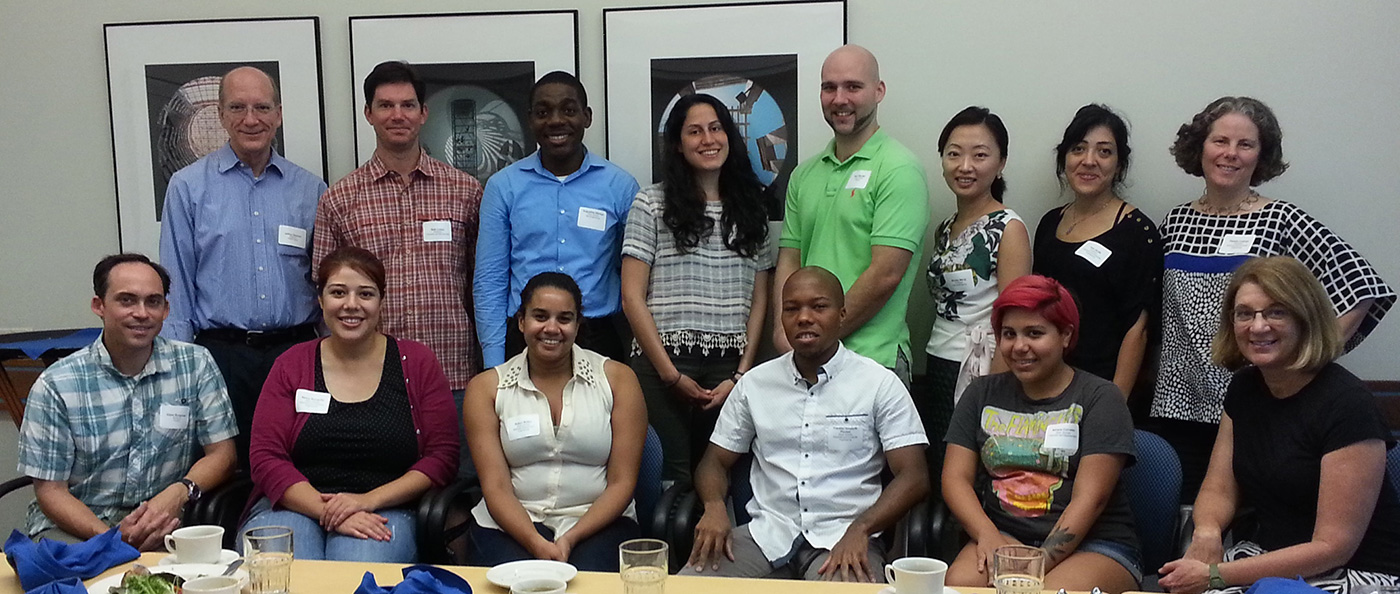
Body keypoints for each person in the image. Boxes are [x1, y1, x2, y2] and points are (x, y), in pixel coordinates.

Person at [1151, 96, 1394, 497]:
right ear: (1200, 146)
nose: (1230, 153)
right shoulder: (1175, 221)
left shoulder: (1281, 219)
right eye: (1220, 141)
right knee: (1186, 524)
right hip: (1178, 409)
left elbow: (1362, 286)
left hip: (1254, 408)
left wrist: (1304, 362)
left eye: (1245, 144)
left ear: (1261, 156)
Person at [1159, 256, 1400, 594]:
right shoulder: (1244, 387)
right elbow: (1219, 488)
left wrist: (1215, 575)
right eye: (1245, 314)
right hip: (1268, 561)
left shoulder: (1348, 404)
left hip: (1352, 575)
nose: (1258, 327)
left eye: (1276, 312)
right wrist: (1207, 533)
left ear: (1306, 319)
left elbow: (1333, 547)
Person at [682, 266, 929, 582]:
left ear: (841, 314)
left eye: (819, 306)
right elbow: (713, 462)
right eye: (792, 308)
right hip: (766, 535)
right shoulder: (755, 384)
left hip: (845, 538)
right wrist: (714, 506)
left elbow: (914, 477)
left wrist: (862, 528)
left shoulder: (879, 384)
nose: (804, 317)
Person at [313, 61, 482, 480]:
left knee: (455, 491)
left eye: (408, 105)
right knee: (381, 485)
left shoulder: (466, 191)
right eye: (385, 105)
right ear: (368, 113)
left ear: (424, 112)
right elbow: (323, 297)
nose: (397, 115)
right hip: (371, 379)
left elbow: (485, 284)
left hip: (453, 373)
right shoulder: (339, 199)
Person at [243, 246, 459, 562]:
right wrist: (329, 509)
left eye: (366, 294)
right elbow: (265, 458)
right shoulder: (291, 364)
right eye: (338, 293)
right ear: (320, 300)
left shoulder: (418, 362)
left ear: (382, 302)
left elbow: (442, 458)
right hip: (292, 507)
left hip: (386, 510)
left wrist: (367, 501)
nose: (351, 305)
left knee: (356, 571)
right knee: (286, 573)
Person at [160, 66, 326, 469]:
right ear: (219, 115)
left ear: (279, 113)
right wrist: (180, 371)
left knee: (300, 461)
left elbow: (326, 281)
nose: (251, 119)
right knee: (227, 468)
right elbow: (177, 286)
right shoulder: (187, 187)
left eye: (261, 107)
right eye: (237, 107)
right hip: (222, 357)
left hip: (297, 351)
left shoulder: (310, 190)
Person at [17, 254, 237, 547]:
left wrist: (178, 492)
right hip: (76, 530)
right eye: (127, 301)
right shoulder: (57, 385)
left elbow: (222, 455)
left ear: (166, 309)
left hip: (163, 524)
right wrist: (111, 540)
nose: (142, 313)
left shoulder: (195, 364)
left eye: (153, 302)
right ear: (99, 306)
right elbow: (51, 491)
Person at [943, 275, 1140, 593]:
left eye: (1035, 333)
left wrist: (1033, 566)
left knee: (1043, 593)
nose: (1020, 346)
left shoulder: (1101, 397)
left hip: (1095, 545)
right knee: (961, 585)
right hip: (1003, 536)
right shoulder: (981, 393)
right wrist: (986, 534)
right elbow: (955, 479)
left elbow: (1092, 499)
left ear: (1066, 335)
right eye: (1009, 334)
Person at [621, 93, 774, 486]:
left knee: (722, 477)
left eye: (716, 128)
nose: (708, 139)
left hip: (729, 369)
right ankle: (669, 550)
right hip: (662, 366)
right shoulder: (651, 203)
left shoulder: (752, 205)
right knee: (670, 478)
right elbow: (631, 297)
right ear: (677, 143)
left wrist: (741, 376)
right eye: (694, 131)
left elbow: (759, 301)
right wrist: (671, 375)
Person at [463, 272, 647, 572]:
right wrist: (537, 543)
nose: (552, 328)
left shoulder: (617, 380)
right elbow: (495, 486)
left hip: (598, 523)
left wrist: (571, 538)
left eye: (565, 318)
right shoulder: (486, 389)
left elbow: (622, 483)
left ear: (577, 325)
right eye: (540, 316)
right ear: (521, 321)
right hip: (511, 525)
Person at [775, 45, 929, 385]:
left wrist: (820, 338)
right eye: (829, 87)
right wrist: (782, 332)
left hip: (873, 361)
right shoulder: (804, 174)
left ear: (879, 91)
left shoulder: (899, 169)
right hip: (804, 361)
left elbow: (885, 274)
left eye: (853, 87)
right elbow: (789, 258)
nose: (839, 98)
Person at [475, 71, 641, 369]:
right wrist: (493, 363)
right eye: (543, 112)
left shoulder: (620, 187)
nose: (555, 121)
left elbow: (636, 279)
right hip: (525, 335)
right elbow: (490, 280)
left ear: (587, 116)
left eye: (568, 110)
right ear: (530, 120)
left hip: (598, 334)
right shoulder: (503, 187)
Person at [924, 106, 1031, 476]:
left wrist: (997, 391)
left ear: (1001, 163)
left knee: (972, 472)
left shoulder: (1008, 227)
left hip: (981, 370)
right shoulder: (945, 227)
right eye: (954, 154)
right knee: (940, 468)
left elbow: (1013, 319)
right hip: (938, 360)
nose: (965, 165)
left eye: (980, 155)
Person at [1033, 104, 1161, 400]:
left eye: (1104, 152)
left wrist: (1114, 403)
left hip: (1102, 387)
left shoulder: (1138, 232)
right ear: (1064, 157)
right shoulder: (1050, 222)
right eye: (1078, 149)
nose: (1089, 161)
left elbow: (1138, 329)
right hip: (1047, 382)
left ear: (1119, 165)